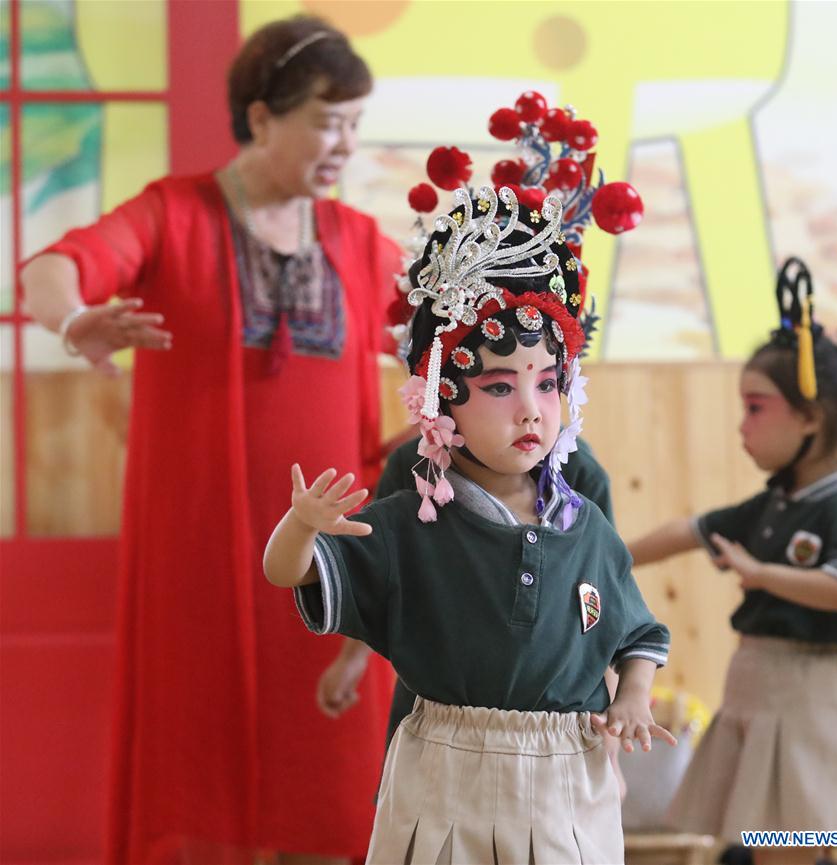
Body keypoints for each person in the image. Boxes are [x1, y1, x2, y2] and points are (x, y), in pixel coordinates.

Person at [21, 15, 399, 865]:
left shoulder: (359, 241)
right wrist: (78, 318)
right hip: (199, 558)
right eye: (327, 121)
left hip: (328, 560)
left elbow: (439, 333)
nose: (343, 144)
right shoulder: (172, 213)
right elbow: (52, 266)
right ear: (261, 117)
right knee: (193, 782)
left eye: (354, 125)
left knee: (332, 787)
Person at [264, 185, 675, 864]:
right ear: (439, 400)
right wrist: (302, 525)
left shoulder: (586, 523)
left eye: (547, 382)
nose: (529, 410)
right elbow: (288, 571)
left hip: (566, 776)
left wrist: (632, 697)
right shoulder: (409, 519)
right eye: (498, 386)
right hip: (444, 770)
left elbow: (637, 632)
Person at [627, 259, 837, 865]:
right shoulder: (777, 501)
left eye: (756, 408)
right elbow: (690, 530)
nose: (742, 427)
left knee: (795, 839)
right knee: (764, 839)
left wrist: (761, 574)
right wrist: (602, 559)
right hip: (758, 689)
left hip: (805, 694)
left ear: (811, 418)